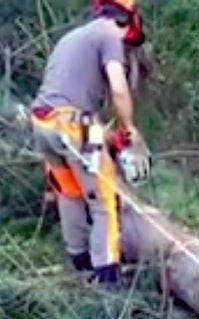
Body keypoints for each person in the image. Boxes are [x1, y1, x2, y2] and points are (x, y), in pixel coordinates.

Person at [29, 0, 146, 286]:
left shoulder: (74, 37)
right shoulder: (109, 36)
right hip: (71, 124)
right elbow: (118, 88)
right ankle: (107, 275)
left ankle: (79, 260)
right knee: (104, 198)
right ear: (126, 21)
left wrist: (109, 137)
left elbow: (66, 97)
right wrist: (130, 128)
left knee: (69, 192)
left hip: (43, 123)